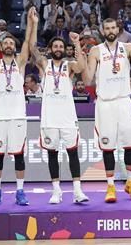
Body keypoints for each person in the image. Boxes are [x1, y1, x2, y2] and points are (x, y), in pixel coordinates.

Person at [83, 18, 131, 203]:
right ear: (103, 31)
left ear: (118, 29)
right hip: (105, 103)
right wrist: (81, 57)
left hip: (124, 101)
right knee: (108, 146)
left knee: (129, 144)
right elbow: (87, 80)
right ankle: (110, 186)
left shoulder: (128, 47)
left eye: (113, 28)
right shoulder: (96, 51)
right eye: (107, 28)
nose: (110, 31)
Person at [29, 22, 89, 204]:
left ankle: (77, 191)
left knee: (72, 153)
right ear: (50, 49)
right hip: (49, 118)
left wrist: (77, 43)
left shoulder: (69, 66)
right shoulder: (44, 64)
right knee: (52, 154)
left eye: (61, 46)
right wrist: (34, 24)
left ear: (65, 49)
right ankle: (56, 191)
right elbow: (32, 48)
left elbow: (82, 67)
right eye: (55, 46)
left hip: (68, 118)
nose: (58, 49)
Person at [0, 7, 35, 206]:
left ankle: (20, 191)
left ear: (14, 46)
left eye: (11, 43)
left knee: (19, 155)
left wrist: (30, 21)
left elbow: (28, 43)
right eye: (6, 43)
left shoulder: (20, 64)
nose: (9, 45)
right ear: (1, 46)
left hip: (17, 117)